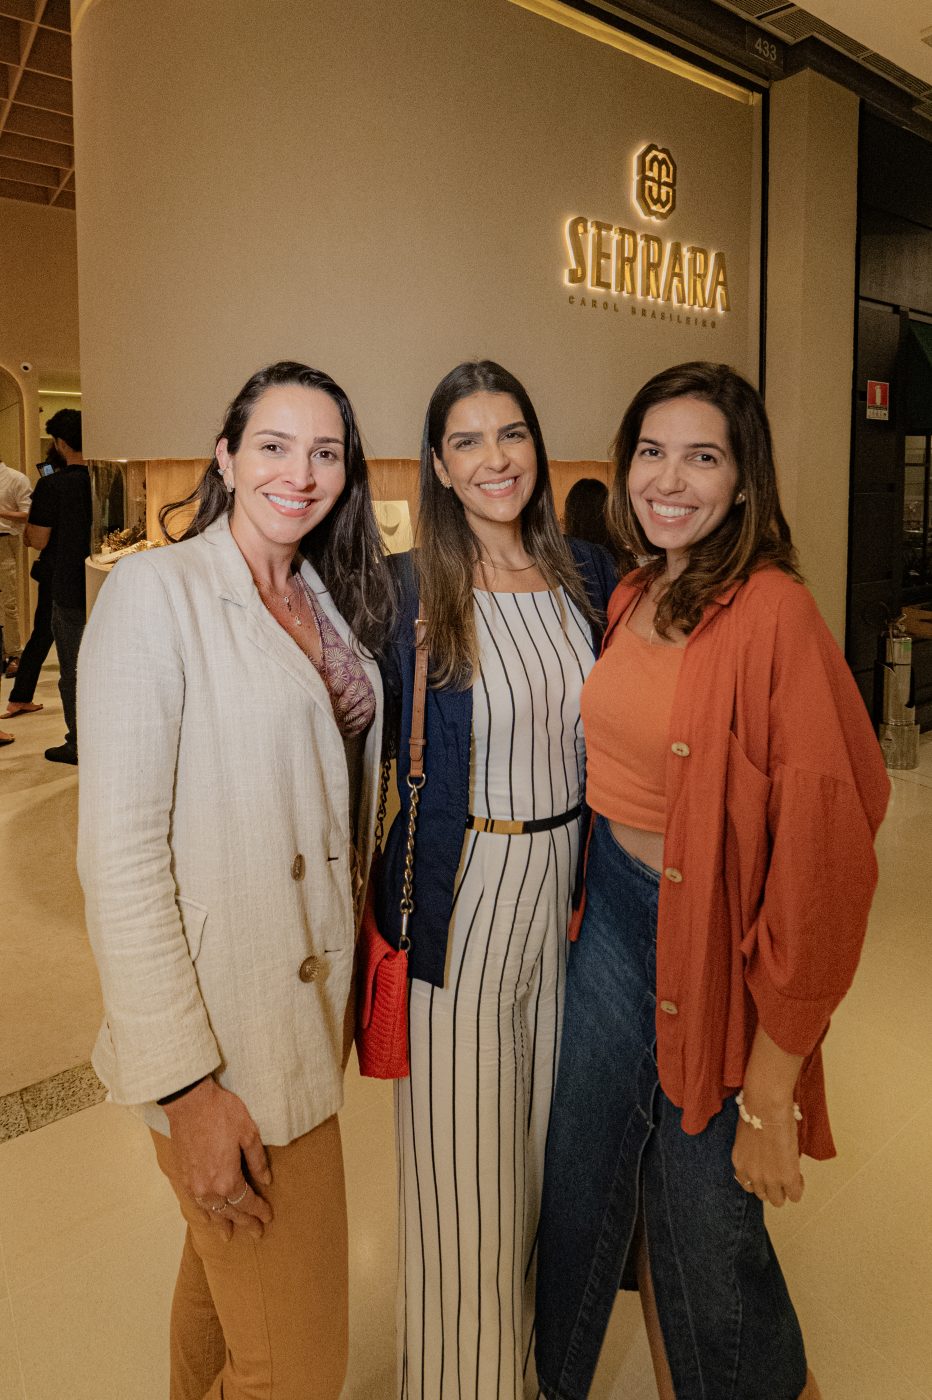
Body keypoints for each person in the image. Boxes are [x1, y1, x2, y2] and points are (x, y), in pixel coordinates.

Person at [535, 362, 891, 1400]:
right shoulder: (638, 586)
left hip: (708, 938)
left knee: (703, 1223)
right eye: (651, 451)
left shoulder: (773, 613)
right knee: (585, 1185)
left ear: (743, 480)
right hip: (607, 922)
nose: (669, 478)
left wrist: (771, 1086)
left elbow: (828, 855)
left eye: (702, 455)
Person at [77, 361, 394, 1400]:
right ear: (225, 455)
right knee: (298, 1366)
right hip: (227, 1044)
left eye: (324, 452)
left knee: (221, 1310)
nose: (298, 472)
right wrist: (187, 1090)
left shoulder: (315, 596)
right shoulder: (156, 595)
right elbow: (119, 856)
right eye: (273, 444)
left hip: (299, 1016)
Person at [377, 360, 617, 1399]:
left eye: (509, 433)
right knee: (458, 1186)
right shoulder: (406, 587)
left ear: (535, 443)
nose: (493, 458)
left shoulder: (585, 575)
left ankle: (515, 1373)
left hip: (566, 892)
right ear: (436, 462)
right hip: (463, 891)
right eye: (466, 441)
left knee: (531, 1170)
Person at [25, 409, 92, 763]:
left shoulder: (51, 485)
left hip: (67, 585)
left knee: (74, 670)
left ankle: (79, 742)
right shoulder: (106, 478)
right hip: (104, 583)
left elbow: (37, 539)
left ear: (61, 443)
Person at [2, 446, 62, 720]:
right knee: (50, 632)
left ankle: (19, 688)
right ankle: (20, 695)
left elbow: (32, 533)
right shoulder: (66, 485)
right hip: (63, 571)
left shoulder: (38, 483)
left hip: (46, 566)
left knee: (36, 628)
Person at [0, 453, 33, 676]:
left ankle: (13, 654)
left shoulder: (15, 478)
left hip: (5, 541)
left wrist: (1, 512)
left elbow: (28, 513)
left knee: (8, 601)